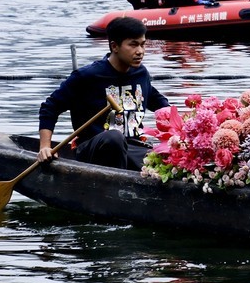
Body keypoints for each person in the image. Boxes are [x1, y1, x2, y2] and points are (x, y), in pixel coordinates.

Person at [38, 16, 170, 170]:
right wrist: (44, 147)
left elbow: (158, 101)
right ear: (114, 46)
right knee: (114, 137)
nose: (140, 51)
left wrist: (176, 128)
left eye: (142, 45)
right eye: (133, 45)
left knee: (169, 156)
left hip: (133, 148)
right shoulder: (87, 76)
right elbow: (50, 107)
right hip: (93, 150)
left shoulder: (141, 73)